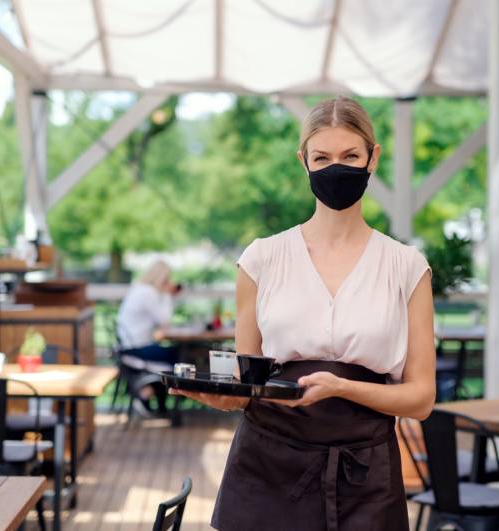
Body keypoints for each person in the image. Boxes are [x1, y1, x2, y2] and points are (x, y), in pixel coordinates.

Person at [172, 96, 436, 531]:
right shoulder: (261, 260)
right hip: (266, 467)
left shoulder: (406, 267)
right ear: (304, 162)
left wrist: (341, 388)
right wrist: (221, 397)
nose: (337, 167)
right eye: (322, 157)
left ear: (373, 158)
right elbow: (247, 382)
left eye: (350, 155)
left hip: (366, 474)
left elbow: (421, 399)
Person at [116, 259, 180, 365]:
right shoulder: (148, 293)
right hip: (135, 348)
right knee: (181, 354)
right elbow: (164, 320)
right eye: (167, 279)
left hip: (129, 345)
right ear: (162, 278)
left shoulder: (140, 289)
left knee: (177, 352)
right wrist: (167, 294)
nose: (169, 282)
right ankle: (168, 381)